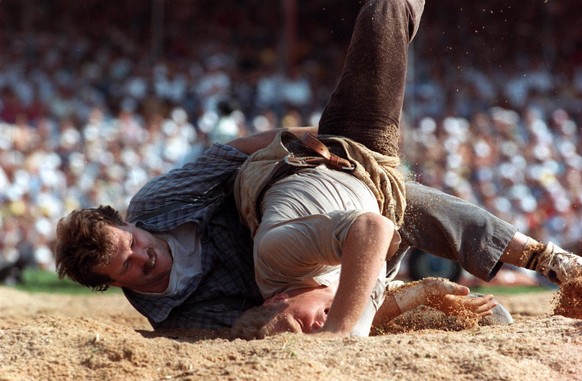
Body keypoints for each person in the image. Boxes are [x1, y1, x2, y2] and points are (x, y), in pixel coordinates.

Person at [54, 0, 582, 332]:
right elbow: (262, 322)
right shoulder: (174, 318)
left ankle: (550, 260)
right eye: (128, 267)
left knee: (383, 16)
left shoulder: (155, 204)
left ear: (128, 222)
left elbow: (228, 154)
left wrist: (311, 137)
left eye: (135, 244)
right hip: (315, 267)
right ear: (110, 283)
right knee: (386, 215)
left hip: (307, 173)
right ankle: (522, 274)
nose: (143, 257)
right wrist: (330, 308)